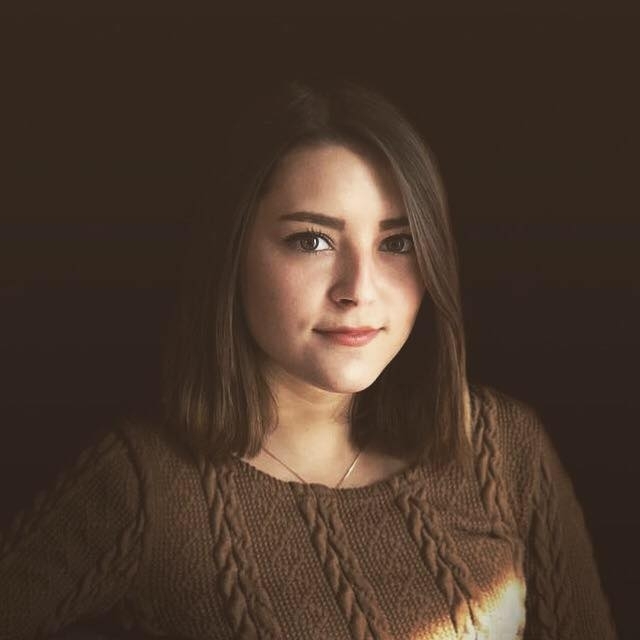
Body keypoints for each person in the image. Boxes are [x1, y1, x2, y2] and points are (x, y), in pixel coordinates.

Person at [0, 79, 617, 640]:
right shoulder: (143, 484)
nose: (358, 289)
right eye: (312, 240)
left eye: (398, 242)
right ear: (232, 253)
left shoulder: (501, 444)